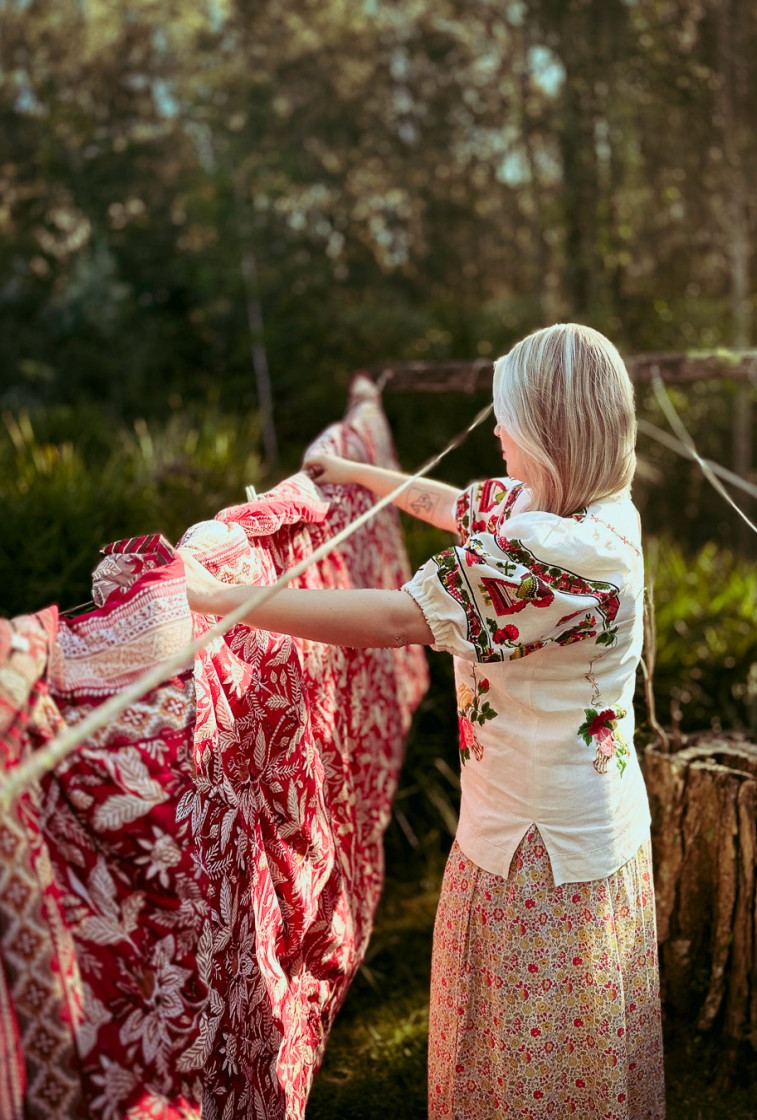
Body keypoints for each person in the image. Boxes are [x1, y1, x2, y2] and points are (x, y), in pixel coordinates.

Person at [182, 322, 665, 1119]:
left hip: (543, 860)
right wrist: (352, 473)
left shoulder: (564, 561)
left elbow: (398, 618)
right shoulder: (598, 513)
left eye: (506, 415)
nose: (498, 430)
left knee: (533, 1072)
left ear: (547, 431)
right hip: (565, 829)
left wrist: (218, 600)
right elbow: (458, 507)